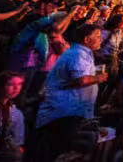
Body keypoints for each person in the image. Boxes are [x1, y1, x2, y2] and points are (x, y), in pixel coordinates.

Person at [33, 24, 106, 162]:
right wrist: (99, 78)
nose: (100, 39)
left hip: (70, 111)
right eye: (97, 36)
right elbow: (81, 80)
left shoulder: (83, 53)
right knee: (59, 151)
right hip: (63, 112)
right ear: (86, 39)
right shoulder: (77, 54)